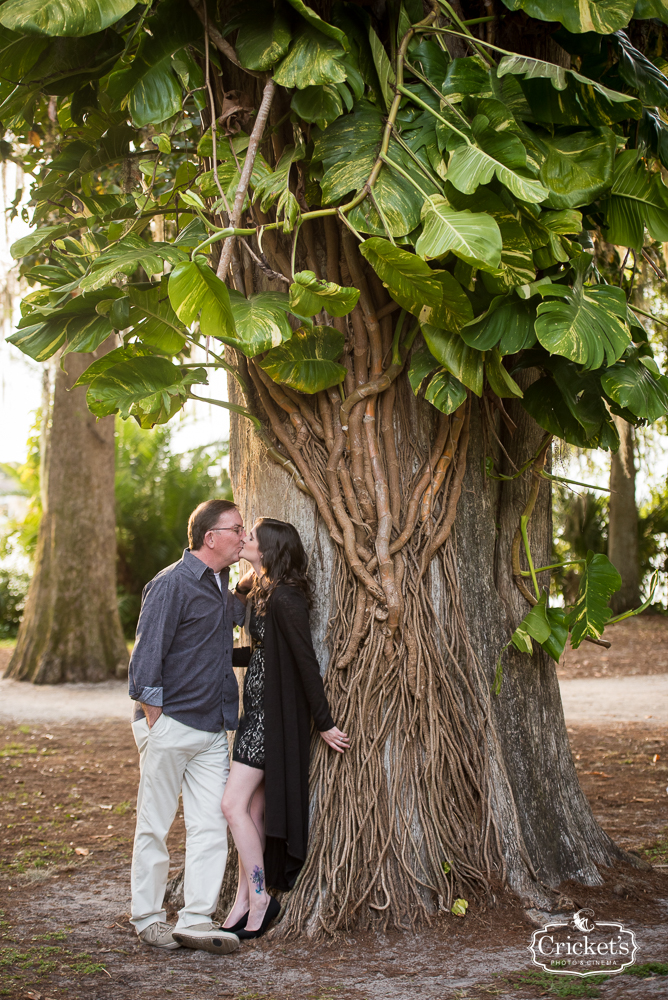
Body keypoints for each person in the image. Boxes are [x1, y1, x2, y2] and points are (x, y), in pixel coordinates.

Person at [128, 499, 247, 955]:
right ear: (210, 537)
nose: (242, 535)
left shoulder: (221, 583)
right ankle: (148, 918)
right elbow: (144, 661)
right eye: (236, 528)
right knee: (154, 825)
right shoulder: (171, 584)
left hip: (214, 728)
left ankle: (196, 919)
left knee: (210, 826)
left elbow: (231, 625)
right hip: (171, 724)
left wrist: (254, 581)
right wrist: (157, 721)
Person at [221, 518, 349, 939]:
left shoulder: (287, 598)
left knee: (232, 805)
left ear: (270, 548)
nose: (244, 539)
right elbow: (260, 655)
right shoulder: (264, 591)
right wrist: (244, 581)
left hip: (269, 719)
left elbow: (304, 661)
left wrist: (325, 722)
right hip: (254, 711)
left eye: (251, 537)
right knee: (253, 811)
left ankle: (260, 897)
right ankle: (243, 898)